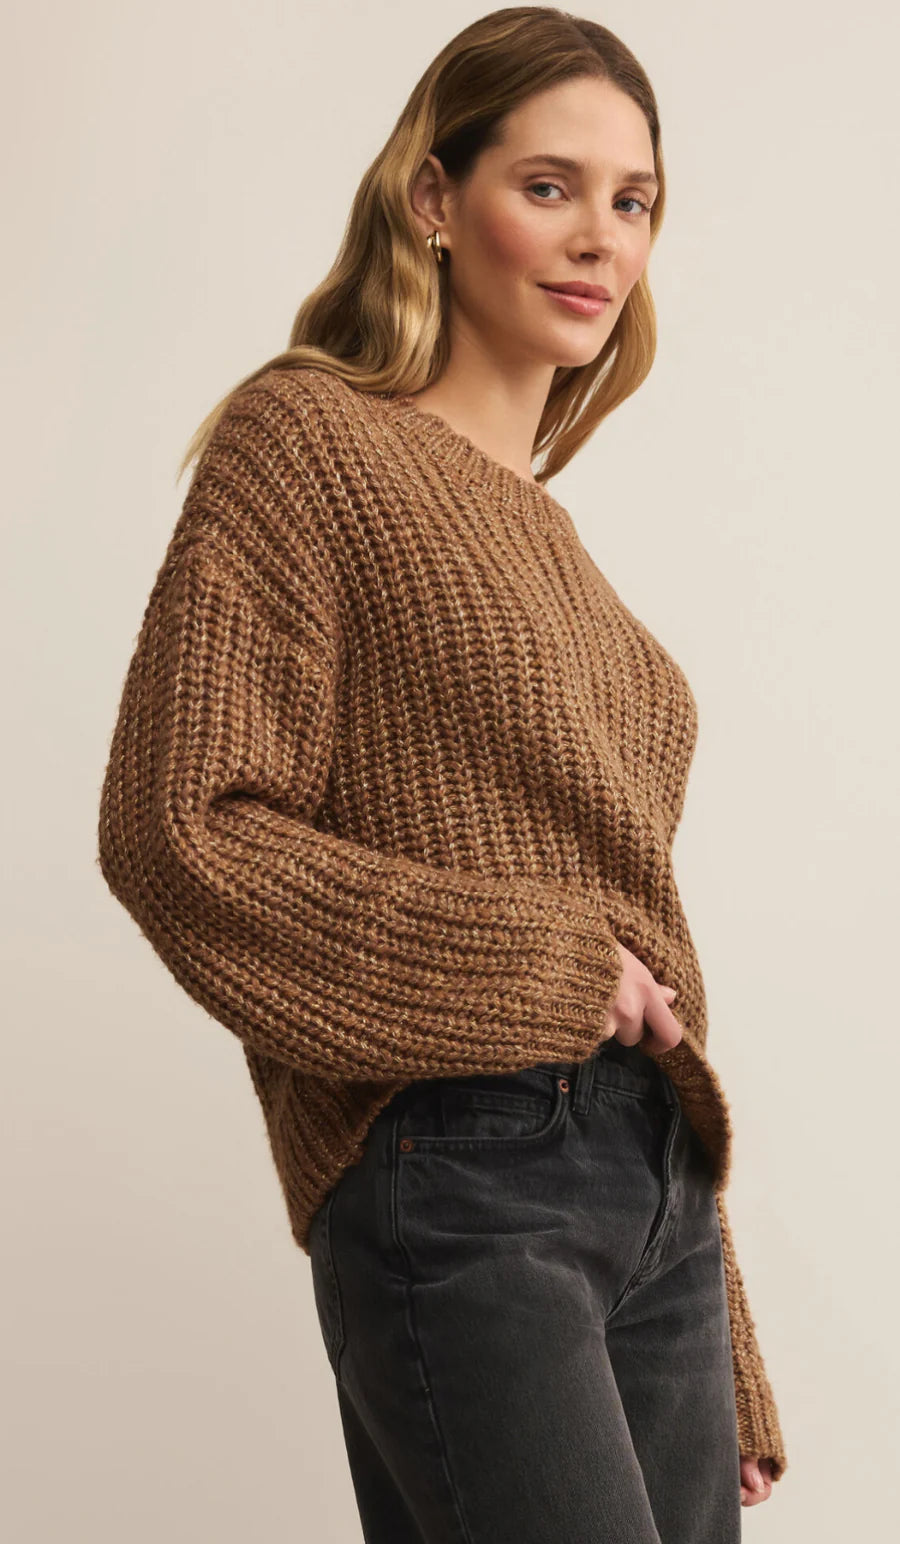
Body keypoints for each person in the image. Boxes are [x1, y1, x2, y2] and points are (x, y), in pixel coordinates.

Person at [97, 8, 787, 1540]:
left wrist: (725, 1332)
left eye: (634, 200)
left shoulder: (564, 554)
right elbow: (179, 827)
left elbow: (638, 946)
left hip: (656, 1193)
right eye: (549, 186)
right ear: (432, 195)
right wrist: (538, 966)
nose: (600, 237)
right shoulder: (311, 441)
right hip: (465, 1167)